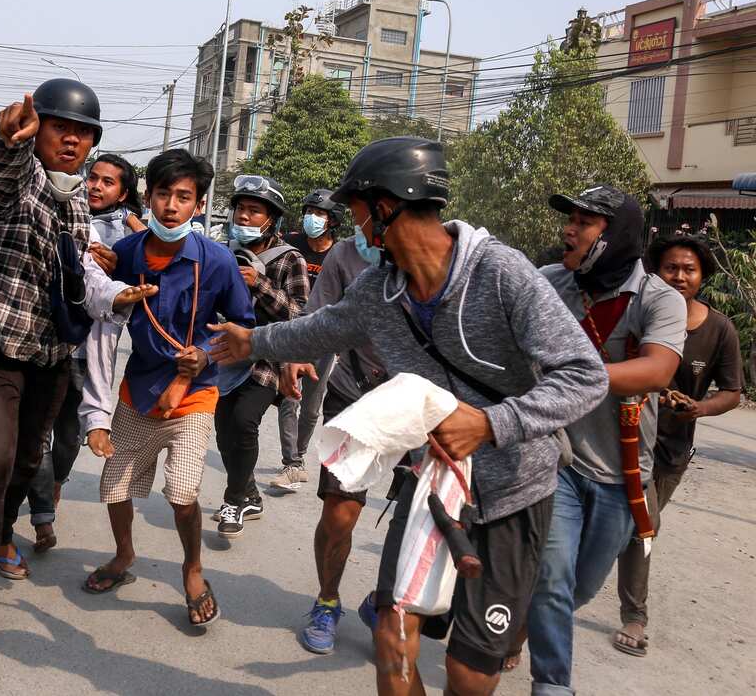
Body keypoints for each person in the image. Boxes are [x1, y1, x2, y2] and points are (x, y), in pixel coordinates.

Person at [208, 137, 609, 695]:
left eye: (356, 213)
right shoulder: (380, 287)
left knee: (469, 675)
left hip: (511, 493)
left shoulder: (502, 273)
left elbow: (585, 375)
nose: (354, 229)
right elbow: (323, 326)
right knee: (392, 640)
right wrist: (253, 341)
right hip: (430, 486)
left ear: (387, 207)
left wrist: (493, 423)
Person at [0, 79, 145, 662]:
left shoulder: (80, 202)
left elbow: (77, 274)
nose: (71, 140)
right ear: (38, 128)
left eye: (83, 133)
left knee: (27, 461)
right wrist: (7, 142)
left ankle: (3, 531)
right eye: (60, 128)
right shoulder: (11, 175)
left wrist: (98, 272)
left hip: (49, 356)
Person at [519, 185, 686, 694]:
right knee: (552, 577)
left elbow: (658, 368)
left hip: (622, 474)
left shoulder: (660, 300)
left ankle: (524, 620)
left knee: (581, 586)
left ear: (614, 236)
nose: (569, 229)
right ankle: (552, 685)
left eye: (584, 222)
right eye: (570, 219)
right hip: (558, 461)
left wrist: (575, 373)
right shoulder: (548, 283)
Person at [81, 148, 254, 629]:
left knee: (182, 492)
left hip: (196, 395)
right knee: (113, 485)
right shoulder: (130, 254)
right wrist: (101, 270)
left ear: (198, 205)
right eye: (163, 194)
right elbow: (103, 310)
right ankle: (123, 556)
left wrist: (203, 356)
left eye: (184, 197)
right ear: (148, 198)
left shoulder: (216, 261)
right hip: (139, 390)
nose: (172, 206)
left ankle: (193, 570)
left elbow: (242, 327)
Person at [6, 151, 145, 555]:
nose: (97, 186)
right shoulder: (62, 209)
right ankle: (40, 515)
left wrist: (115, 268)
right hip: (44, 340)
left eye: (108, 182)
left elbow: (140, 284)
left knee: (68, 435)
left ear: (123, 193)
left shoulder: (130, 235)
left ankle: (51, 490)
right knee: (35, 435)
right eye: (94, 178)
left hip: (88, 349)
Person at [611, 233, 743, 658]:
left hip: (671, 451)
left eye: (689, 270)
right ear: (656, 271)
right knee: (640, 522)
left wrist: (701, 409)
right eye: (671, 268)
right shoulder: (638, 311)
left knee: (635, 526)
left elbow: (732, 392)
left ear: (702, 277)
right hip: (624, 436)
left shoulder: (719, 328)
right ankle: (634, 615)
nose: (680, 276)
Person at [295, 236, 391, 654]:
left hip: (425, 403)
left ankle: (386, 604)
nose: (363, 220)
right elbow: (316, 317)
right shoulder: (345, 255)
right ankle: (327, 600)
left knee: (425, 524)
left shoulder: (450, 257)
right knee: (339, 515)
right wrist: (294, 354)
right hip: (354, 394)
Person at [213, 176, 309, 539]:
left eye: (255, 211)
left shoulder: (290, 259)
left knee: (242, 420)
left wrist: (260, 284)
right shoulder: (223, 251)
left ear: (271, 220)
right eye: (241, 209)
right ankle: (250, 492)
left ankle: (234, 500)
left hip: (266, 359)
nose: (246, 216)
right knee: (224, 433)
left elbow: (300, 317)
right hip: (224, 357)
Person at [270, 188, 343, 492]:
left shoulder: (338, 255)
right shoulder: (292, 243)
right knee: (290, 398)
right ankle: (293, 463)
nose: (312, 218)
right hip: (294, 332)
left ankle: (298, 455)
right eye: (309, 212)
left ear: (332, 221)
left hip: (324, 338)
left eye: (320, 214)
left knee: (312, 407)